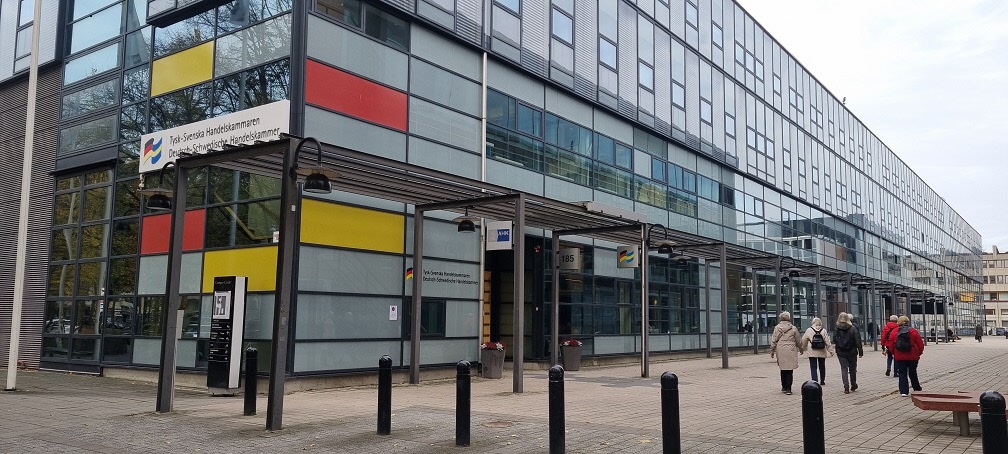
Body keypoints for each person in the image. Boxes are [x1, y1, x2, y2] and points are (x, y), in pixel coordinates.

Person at [887, 315, 925, 396]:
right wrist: (919, 353)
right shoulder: (913, 331)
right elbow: (920, 343)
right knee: (913, 372)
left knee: (902, 373)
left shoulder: (894, 331)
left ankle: (904, 391)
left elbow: (891, 344)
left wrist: (894, 353)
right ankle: (916, 388)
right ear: (907, 322)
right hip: (913, 356)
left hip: (899, 356)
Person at [770, 311, 803, 395]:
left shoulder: (777, 328)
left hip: (780, 349)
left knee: (783, 368)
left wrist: (772, 350)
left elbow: (774, 340)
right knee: (789, 369)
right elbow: (798, 340)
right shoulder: (793, 328)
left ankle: (784, 387)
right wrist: (801, 348)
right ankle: (789, 389)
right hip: (791, 349)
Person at [833, 312, 863, 394]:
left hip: (841, 351)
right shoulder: (852, 328)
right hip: (852, 351)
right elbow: (858, 340)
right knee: (852, 368)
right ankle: (853, 384)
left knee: (844, 368)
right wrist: (860, 351)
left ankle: (846, 387)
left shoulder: (836, 328)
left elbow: (834, 340)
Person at [800, 317, 834, 385]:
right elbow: (827, 341)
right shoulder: (823, 330)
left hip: (812, 350)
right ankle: (822, 380)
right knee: (822, 366)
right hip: (822, 350)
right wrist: (831, 351)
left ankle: (815, 381)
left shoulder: (809, 330)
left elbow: (804, 340)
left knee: (813, 367)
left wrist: (803, 349)